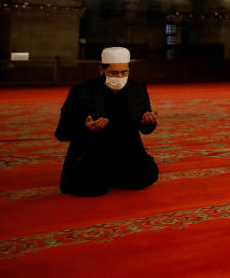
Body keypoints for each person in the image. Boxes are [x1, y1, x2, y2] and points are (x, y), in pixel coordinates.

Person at [54, 46, 160, 196]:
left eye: (124, 72)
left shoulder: (137, 89)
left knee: (146, 176)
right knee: (93, 188)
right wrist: (86, 128)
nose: (119, 77)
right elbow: (62, 133)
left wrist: (148, 123)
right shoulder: (81, 91)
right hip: (93, 151)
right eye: (114, 73)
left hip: (126, 150)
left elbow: (145, 129)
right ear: (101, 70)